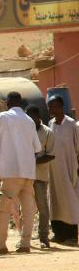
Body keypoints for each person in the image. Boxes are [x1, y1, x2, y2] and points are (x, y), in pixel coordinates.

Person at [0, 92, 42, 254]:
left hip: (11, 171)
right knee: (28, 211)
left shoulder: (3, 117)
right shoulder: (28, 121)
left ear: (8, 103)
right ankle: (25, 244)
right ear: (20, 103)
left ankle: (0, 245)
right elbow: (37, 148)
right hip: (28, 172)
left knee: (4, 209)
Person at [46, 95, 79, 245]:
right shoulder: (50, 124)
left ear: (61, 106)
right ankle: (59, 233)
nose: (51, 109)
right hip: (53, 169)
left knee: (70, 200)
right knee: (55, 200)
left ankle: (72, 234)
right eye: (49, 106)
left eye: (53, 106)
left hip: (69, 167)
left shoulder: (72, 125)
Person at [28, 106, 55, 249]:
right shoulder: (24, 131)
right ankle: (25, 238)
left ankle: (44, 237)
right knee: (25, 208)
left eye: (32, 117)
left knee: (43, 207)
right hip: (25, 175)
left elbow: (51, 154)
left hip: (40, 175)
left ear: (38, 117)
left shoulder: (48, 133)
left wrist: (33, 161)